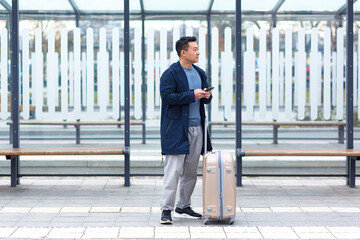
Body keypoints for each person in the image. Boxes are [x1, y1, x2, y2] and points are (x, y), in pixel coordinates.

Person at [159, 36, 213, 224]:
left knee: (190, 171)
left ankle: (183, 205)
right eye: (195, 49)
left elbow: (203, 101)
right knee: (173, 171)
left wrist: (206, 96)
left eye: (198, 49)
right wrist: (192, 95)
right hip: (176, 129)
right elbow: (167, 97)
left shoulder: (200, 72)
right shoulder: (170, 73)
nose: (198, 52)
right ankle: (166, 209)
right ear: (183, 52)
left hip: (198, 128)